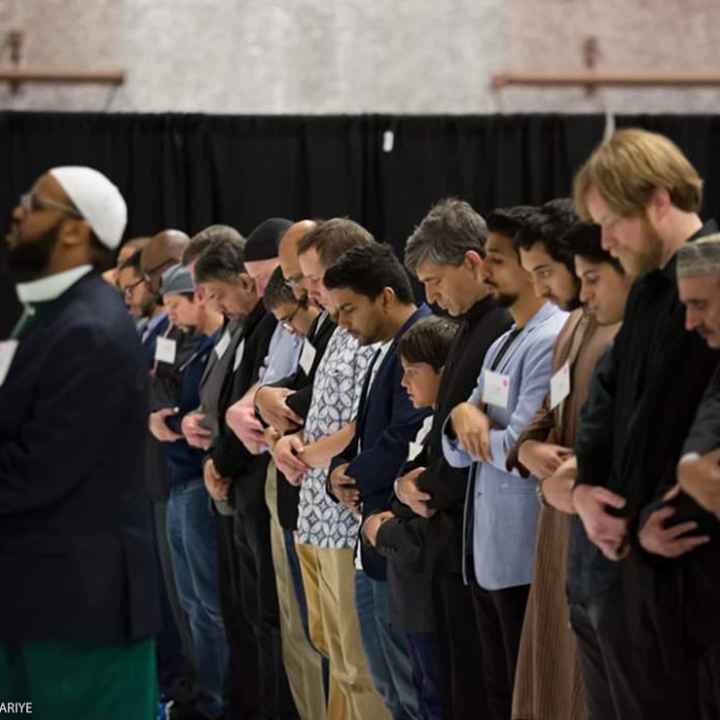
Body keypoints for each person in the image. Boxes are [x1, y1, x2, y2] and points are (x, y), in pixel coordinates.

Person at [0, 166, 160, 718]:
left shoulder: (89, 329)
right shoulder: (54, 316)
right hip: (39, 599)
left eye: (33, 201)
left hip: (78, 614)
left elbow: (39, 472)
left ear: (73, 229)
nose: (18, 213)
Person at [570, 128, 719, 719]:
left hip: (690, 579)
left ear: (658, 199)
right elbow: (604, 405)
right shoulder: (648, 292)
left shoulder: (709, 275)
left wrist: (652, 516)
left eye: (612, 221)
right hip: (636, 571)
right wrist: (587, 492)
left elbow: (706, 425)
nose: (605, 240)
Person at [442, 206, 568, 720]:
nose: (485, 270)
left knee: (529, 694)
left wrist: (472, 422)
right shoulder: (500, 342)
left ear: (534, 267)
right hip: (486, 551)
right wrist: (462, 416)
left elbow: (517, 445)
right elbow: (453, 445)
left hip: (522, 551)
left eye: (496, 260)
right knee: (498, 692)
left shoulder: (549, 337)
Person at [507, 210, 630, 720]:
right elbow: (542, 419)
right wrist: (529, 450)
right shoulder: (576, 324)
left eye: (545, 272)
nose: (541, 286)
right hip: (557, 517)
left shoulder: (624, 329)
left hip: (592, 514)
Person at [402, 198, 511, 719]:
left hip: (482, 536)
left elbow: (492, 432)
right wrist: (411, 480)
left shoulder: (501, 325)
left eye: (435, 279)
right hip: (454, 535)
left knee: (485, 688)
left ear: (473, 262)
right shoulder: (471, 324)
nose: (430, 295)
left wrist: (428, 488)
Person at [275, 219, 388, 720]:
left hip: (345, 516)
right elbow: (321, 406)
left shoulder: (368, 327)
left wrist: (310, 452)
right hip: (313, 509)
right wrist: (292, 440)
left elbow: (362, 422)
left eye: (314, 280)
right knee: (332, 651)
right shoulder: (334, 328)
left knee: (357, 663)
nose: (307, 291)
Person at [324, 241, 432, 720]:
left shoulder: (424, 338)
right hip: (369, 535)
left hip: (398, 533)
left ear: (385, 297)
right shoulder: (386, 346)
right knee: (388, 684)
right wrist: (337, 474)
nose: (342, 323)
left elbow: (406, 431)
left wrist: (354, 472)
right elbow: (364, 428)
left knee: (411, 686)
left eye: (348, 309)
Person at [199, 218, 298, 720]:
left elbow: (268, 403)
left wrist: (222, 454)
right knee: (253, 614)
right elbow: (245, 399)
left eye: (267, 279)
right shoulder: (258, 324)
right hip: (249, 481)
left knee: (281, 622)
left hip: (271, 481)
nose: (264, 291)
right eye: (259, 281)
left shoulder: (272, 322)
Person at [363, 315, 459, 720]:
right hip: (414, 595)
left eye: (412, 373)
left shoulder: (447, 432)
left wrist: (381, 530)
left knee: (436, 700)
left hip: (434, 597)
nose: (404, 384)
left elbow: (429, 527)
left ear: (444, 371)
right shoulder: (431, 426)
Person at [149, 264, 228, 720]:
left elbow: (201, 419)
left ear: (199, 297)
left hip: (198, 481)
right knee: (189, 603)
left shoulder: (214, 345)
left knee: (207, 604)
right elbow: (157, 392)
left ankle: (217, 700)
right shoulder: (173, 340)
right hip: (173, 480)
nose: (170, 314)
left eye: (176, 304)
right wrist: (168, 417)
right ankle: (200, 693)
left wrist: (172, 421)